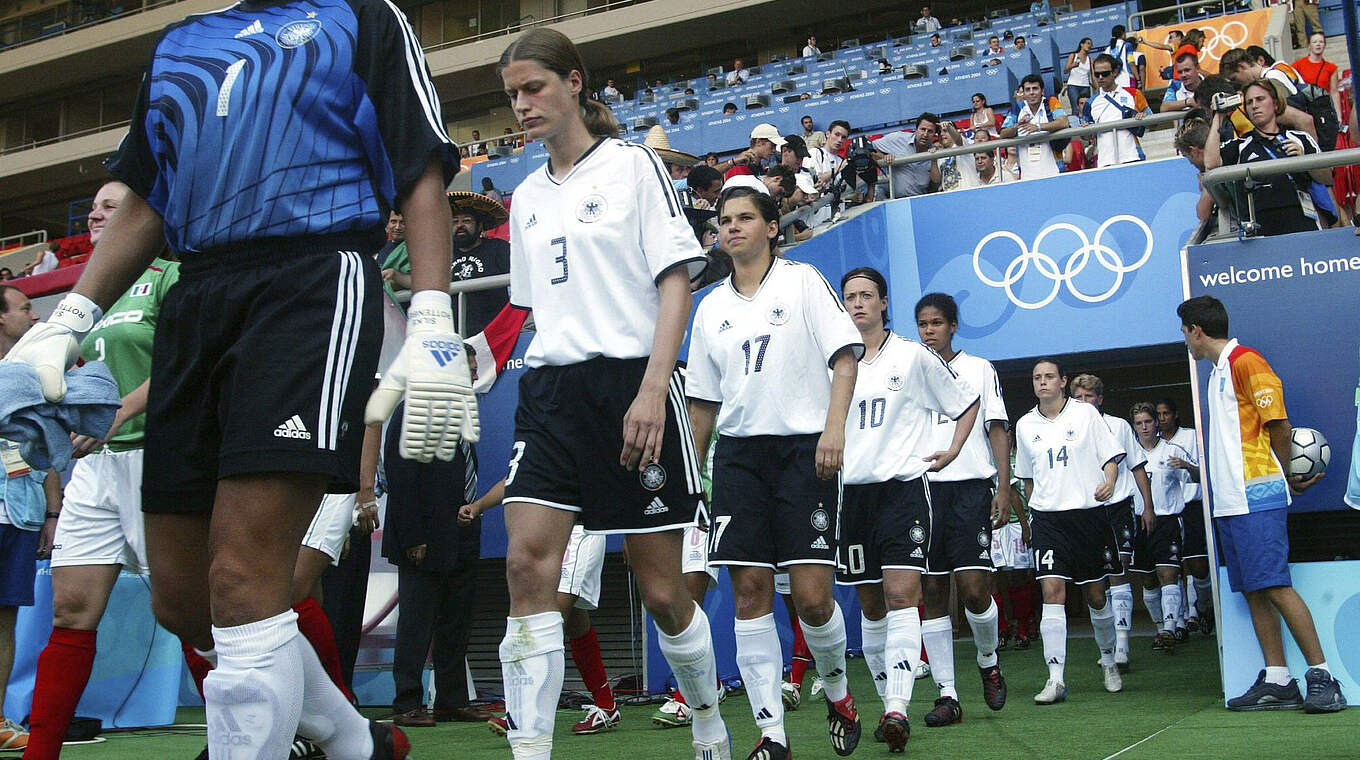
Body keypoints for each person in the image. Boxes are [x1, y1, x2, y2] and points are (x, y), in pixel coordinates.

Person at [4, 0, 466, 754]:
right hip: (198, 295)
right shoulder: (179, 41)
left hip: (313, 279)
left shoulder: (363, 16)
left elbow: (418, 168)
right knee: (185, 601)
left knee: (244, 579)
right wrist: (67, 320)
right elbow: (149, 194)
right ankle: (356, 742)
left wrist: (434, 318)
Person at [495, 28, 730, 760]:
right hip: (550, 392)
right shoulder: (526, 194)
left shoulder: (631, 167)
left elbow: (674, 283)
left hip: (632, 383)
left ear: (573, 83)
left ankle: (709, 721)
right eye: (511, 95)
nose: (522, 105)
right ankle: (530, 749)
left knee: (662, 591)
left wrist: (654, 389)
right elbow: (528, 309)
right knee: (527, 566)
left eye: (533, 88)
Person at [687, 186, 864, 760]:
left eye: (745, 218)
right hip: (737, 457)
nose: (732, 228)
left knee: (813, 600)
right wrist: (693, 471)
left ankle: (837, 689)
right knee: (748, 594)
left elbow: (843, 357)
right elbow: (704, 404)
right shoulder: (709, 306)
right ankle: (772, 734)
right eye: (724, 220)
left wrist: (833, 428)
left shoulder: (803, 280)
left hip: (803, 452)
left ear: (770, 227)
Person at [19, 181, 177, 760]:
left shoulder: (166, 274)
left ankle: (261, 739)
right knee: (71, 610)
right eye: (92, 208)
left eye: (112, 206)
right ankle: (41, 751)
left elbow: (186, 364)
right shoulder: (83, 295)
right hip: (93, 465)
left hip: (155, 457)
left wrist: (115, 413)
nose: (95, 214)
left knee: (186, 611)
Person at [1176, 296, 1346, 713]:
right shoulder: (1217, 371)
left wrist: (1286, 476)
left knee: (1275, 585)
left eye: (1184, 332)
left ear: (1197, 329)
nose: (1185, 341)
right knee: (1254, 589)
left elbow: (1280, 424)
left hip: (1258, 494)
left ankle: (1324, 677)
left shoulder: (1246, 361)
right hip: (1230, 502)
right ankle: (1278, 680)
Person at [836, 271, 981, 752]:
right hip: (850, 496)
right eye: (849, 297)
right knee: (872, 605)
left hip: (903, 491)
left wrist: (953, 449)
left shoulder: (912, 355)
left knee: (903, 595)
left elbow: (965, 402)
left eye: (865, 297)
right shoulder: (831, 360)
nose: (857, 304)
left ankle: (898, 708)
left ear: (883, 303)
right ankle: (887, 706)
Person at [914, 293, 1011, 727]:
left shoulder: (979, 368)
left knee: (973, 589)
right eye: (922, 323)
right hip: (920, 491)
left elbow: (997, 428)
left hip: (971, 489)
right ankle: (947, 695)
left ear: (953, 325)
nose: (929, 330)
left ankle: (988, 661)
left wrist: (1004, 487)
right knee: (932, 594)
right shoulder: (910, 368)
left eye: (936, 323)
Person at [1014, 358, 1127, 704]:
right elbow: (1027, 477)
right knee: (1052, 592)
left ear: (1063, 381)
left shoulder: (1085, 414)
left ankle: (1109, 661)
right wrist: (1034, 514)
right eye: (1037, 378)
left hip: (1088, 516)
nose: (1043, 382)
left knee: (1096, 595)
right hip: (1049, 521)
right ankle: (1055, 678)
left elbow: (1110, 456)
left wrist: (1108, 481)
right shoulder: (1024, 425)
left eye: (1049, 376)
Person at [382, 412, 492, 728]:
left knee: (457, 620)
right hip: (425, 538)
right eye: (466, 370)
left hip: (463, 531)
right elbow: (401, 476)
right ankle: (406, 703)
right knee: (417, 622)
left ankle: (452, 701)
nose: (471, 377)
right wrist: (413, 537)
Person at [1068, 374, 1155, 669]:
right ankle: (1105, 646)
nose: (1083, 403)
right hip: (1085, 511)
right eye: (1078, 397)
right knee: (1094, 580)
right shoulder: (1066, 428)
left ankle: (1122, 646)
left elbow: (1137, 467)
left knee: (1119, 570)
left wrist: (1149, 508)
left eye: (1088, 397)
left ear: (1099, 399)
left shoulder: (1118, 426)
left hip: (1118, 506)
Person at [1, 283, 52, 754]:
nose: (34, 317)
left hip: (19, 515)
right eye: (25, 307)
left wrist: (51, 513)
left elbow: (47, 447)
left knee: (5, 620)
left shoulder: (37, 373)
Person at [1204, 78, 1334, 234]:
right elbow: (1211, 164)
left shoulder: (1300, 137)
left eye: (1260, 99)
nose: (1254, 106)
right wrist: (1218, 117)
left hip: (1302, 220)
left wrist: (1305, 159)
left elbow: (1327, 178)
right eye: (1249, 102)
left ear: (1276, 104)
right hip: (1262, 227)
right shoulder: (1241, 145)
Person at [1127, 402, 1192, 654]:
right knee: (1148, 578)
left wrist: (1187, 467)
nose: (1144, 427)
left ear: (1157, 423)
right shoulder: (1127, 454)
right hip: (1138, 522)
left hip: (1167, 520)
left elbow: (1196, 479)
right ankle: (1158, 629)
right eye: (1139, 423)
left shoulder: (1172, 450)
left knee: (1169, 574)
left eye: (1148, 422)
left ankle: (1169, 627)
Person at [1154, 398, 1212, 634]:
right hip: (1165, 513)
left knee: (1197, 566)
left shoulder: (1190, 437)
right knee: (1170, 568)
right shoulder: (1150, 443)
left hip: (1193, 507)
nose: (1162, 418)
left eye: (1166, 413)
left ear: (1175, 414)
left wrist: (1186, 465)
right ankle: (1177, 621)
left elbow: (1204, 474)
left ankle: (1204, 606)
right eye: (1158, 414)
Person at [1083, 53, 1151, 167]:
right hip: (1105, 161)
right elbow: (1085, 136)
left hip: (1133, 156)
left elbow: (1154, 122)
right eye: (1097, 74)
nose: (1100, 78)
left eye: (1104, 74)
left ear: (1114, 72)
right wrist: (1086, 131)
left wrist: (1144, 117)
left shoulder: (1134, 94)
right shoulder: (1090, 103)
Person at [999, 74, 1069, 179]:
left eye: (1035, 88)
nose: (1031, 92)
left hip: (1054, 169)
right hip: (1027, 174)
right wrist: (1017, 126)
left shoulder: (1051, 102)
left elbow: (1064, 122)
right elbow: (1003, 133)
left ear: (1042, 91)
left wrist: (1038, 127)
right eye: (1028, 89)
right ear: (1024, 93)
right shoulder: (1018, 108)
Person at [871, 112, 942, 199]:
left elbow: (936, 181)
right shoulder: (898, 138)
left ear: (935, 134)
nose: (925, 134)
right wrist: (884, 156)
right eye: (923, 129)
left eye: (930, 131)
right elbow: (870, 149)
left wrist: (933, 159)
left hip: (918, 200)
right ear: (916, 129)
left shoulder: (936, 152)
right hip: (889, 199)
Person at [1292, 32, 1343, 130]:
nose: (1318, 44)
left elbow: (1334, 92)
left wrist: (1338, 115)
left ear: (1325, 45)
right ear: (1309, 46)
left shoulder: (1331, 68)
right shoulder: (1298, 65)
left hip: (1323, 108)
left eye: (1321, 42)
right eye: (1315, 42)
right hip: (1305, 108)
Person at [1063, 37, 1094, 113]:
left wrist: (1097, 87)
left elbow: (1093, 75)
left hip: (1085, 86)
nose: (1090, 45)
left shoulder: (1090, 60)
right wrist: (1072, 65)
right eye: (1088, 43)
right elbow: (1065, 70)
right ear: (1081, 45)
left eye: (1091, 44)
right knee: (1076, 109)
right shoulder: (1073, 55)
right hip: (1073, 85)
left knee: (1086, 108)